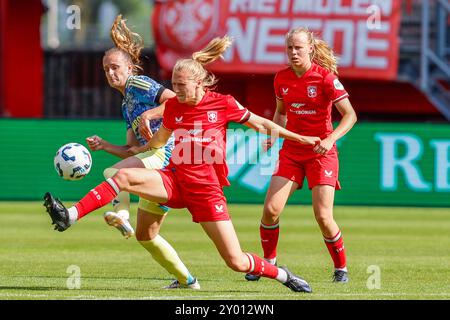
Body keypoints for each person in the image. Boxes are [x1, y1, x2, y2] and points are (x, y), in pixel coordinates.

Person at [43, 35, 321, 293]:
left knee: (235, 261)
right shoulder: (175, 107)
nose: (175, 91)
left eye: (181, 86)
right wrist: (148, 136)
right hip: (174, 180)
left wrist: (300, 138)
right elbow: (156, 145)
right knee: (123, 176)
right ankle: (71, 215)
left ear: (199, 83)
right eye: (174, 85)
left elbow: (261, 123)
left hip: (206, 191)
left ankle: (282, 274)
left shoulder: (223, 103)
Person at [78, 15, 200, 289]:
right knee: (146, 235)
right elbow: (133, 150)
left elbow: (176, 101)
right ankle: (188, 281)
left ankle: (120, 213)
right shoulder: (125, 106)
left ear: (130, 68)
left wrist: (149, 116)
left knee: (115, 175)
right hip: (153, 159)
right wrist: (105, 146)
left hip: (169, 155)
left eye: (115, 67)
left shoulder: (139, 84)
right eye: (106, 69)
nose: (110, 73)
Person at [244, 27, 357, 283]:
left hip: (321, 153)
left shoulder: (326, 79)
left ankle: (341, 268)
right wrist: (272, 138)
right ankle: (269, 264)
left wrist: (330, 139)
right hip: (293, 151)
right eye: (289, 48)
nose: (293, 52)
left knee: (323, 216)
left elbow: (350, 115)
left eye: (298, 48)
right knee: (271, 210)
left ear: (310, 49)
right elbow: (281, 113)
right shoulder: (281, 78)